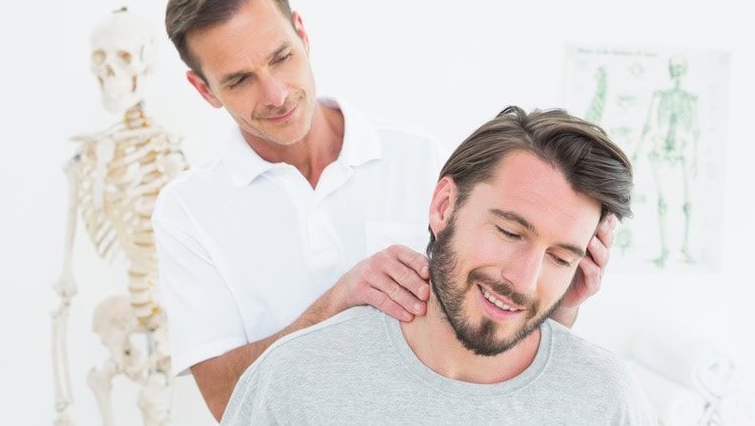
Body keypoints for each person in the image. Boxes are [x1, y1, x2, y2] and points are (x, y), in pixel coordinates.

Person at [152, 0, 619, 421]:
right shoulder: (188, 211)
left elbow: (483, 329)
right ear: (204, 89)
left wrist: (559, 305)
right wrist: (337, 300)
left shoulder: (419, 159)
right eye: (239, 80)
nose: (274, 94)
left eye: (282, 57)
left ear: (302, 33)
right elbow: (227, 402)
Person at [222, 106, 656, 425]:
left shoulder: (606, 399)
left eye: (560, 258)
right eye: (509, 232)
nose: (523, 280)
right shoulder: (296, 377)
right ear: (444, 206)